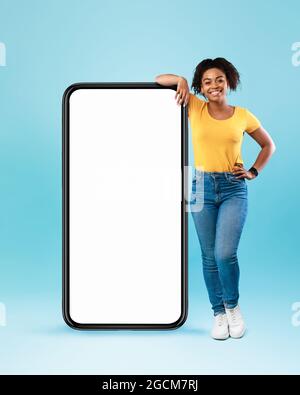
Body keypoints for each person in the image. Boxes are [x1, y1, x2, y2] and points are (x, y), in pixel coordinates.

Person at [155, 58, 276, 340]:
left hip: (233, 187)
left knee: (225, 253)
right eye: (207, 81)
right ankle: (218, 314)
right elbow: (160, 78)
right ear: (201, 86)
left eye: (219, 79)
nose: (213, 86)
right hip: (197, 185)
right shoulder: (194, 107)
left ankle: (233, 307)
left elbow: (268, 145)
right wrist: (182, 81)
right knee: (208, 256)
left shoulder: (243, 115)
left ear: (228, 82)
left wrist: (253, 171)